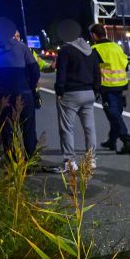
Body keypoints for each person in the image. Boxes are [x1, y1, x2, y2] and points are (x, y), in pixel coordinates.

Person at [0, 17, 39, 160]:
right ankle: (31, 160)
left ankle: (12, 162)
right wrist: (30, 86)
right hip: (24, 91)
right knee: (28, 128)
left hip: (2, 93)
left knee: (6, 128)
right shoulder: (22, 46)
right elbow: (35, 70)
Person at [53, 19, 100, 173]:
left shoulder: (66, 50)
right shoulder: (90, 50)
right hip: (89, 93)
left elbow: (61, 73)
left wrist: (60, 91)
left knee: (67, 128)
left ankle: (69, 162)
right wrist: (96, 90)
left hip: (71, 94)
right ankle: (91, 160)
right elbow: (97, 73)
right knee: (89, 128)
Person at [89, 23, 130, 154]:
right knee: (115, 114)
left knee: (113, 114)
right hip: (121, 85)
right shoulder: (116, 47)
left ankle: (127, 141)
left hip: (107, 86)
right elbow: (126, 66)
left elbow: (93, 71)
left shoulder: (95, 49)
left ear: (94, 35)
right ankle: (112, 140)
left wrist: (95, 88)